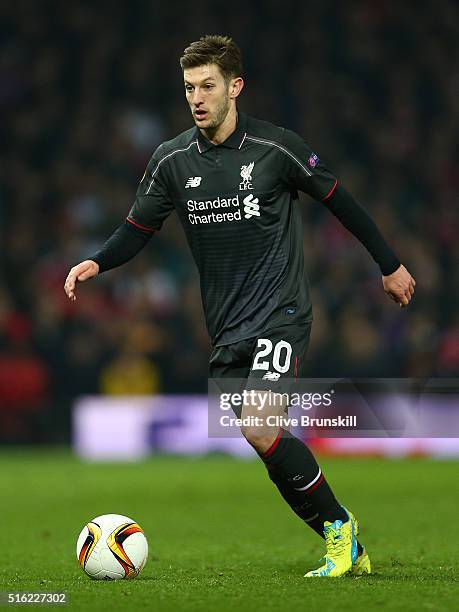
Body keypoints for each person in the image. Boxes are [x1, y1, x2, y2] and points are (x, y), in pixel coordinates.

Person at [64, 35, 416, 577]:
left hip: (282, 310)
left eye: (207, 86)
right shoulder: (172, 161)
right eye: (189, 88)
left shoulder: (277, 149)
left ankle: (340, 536)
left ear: (235, 87)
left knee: (258, 423)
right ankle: (341, 530)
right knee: (264, 440)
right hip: (226, 326)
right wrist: (97, 262)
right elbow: (137, 229)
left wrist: (388, 265)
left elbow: (342, 202)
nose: (197, 98)